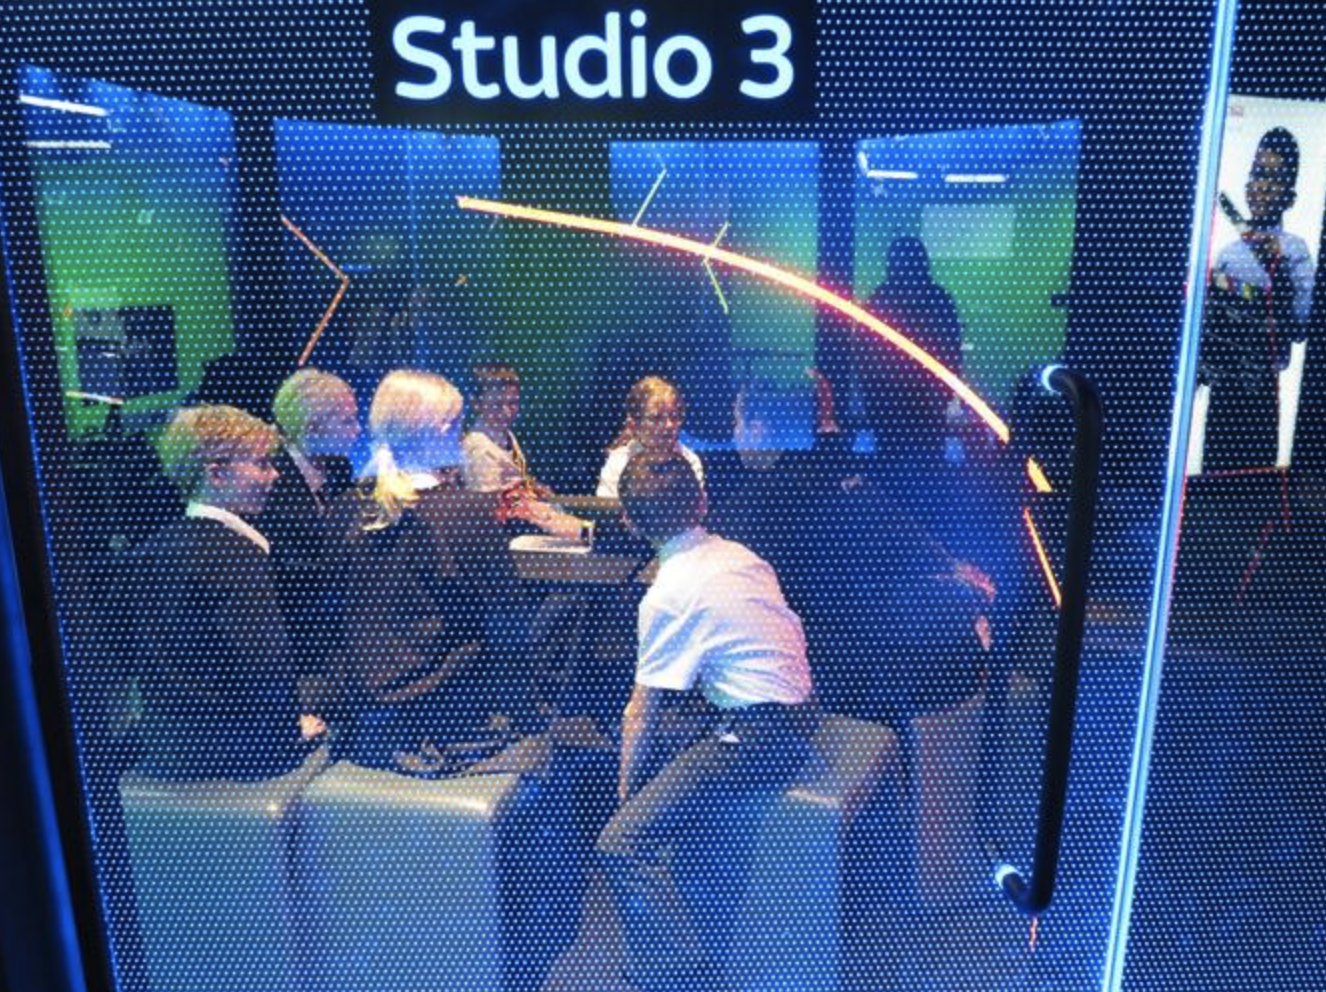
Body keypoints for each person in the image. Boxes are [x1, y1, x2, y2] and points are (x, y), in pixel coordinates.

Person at [596, 453, 814, 992]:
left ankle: (679, 972)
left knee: (619, 841)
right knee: (674, 752)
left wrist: (625, 797)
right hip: (802, 715)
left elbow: (639, 713)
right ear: (702, 502)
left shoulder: (668, 594)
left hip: (756, 739)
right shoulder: (742, 556)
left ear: (628, 521)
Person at [332, 369, 526, 771]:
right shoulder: (467, 513)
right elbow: (510, 621)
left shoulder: (346, 509)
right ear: (441, 427)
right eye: (457, 421)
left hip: (366, 724)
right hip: (450, 723)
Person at [116, 405, 321, 780]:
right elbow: (267, 666)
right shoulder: (236, 556)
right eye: (262, 464)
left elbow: (127, 657)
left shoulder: (149, 549)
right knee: (340, 694)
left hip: (165, 741)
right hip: (234, 751)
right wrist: (290, 728)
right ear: (216, 473)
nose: (275, 474)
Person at [1203, 126, 1316, 471]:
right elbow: (1210, 323)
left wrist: (1280, 271)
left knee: (1253, 484)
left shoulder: (1295, 252)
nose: (1262, 186)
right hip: (1223, 394)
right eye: (1257, 174)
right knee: (1213, 483)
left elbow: (1302, 327)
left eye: (1274, 178)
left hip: (1260, 400)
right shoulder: (1227, 254)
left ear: (1290, 196)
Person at [260, 369, 360, 686]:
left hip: (336, 622)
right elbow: (300, 573)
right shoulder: (272, 483)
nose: (358, 430)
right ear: (312, 428)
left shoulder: (339, 467)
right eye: (347, 421)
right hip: (300, 637)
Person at [859, 236, 965, 472]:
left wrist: (871, 395)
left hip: (896, 397)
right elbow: (952, 351)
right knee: (924, 464)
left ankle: (898, 490)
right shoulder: (938, 299)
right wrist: (945, 391)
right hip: (914, 397)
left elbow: (864, 352)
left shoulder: (880, 299)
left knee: (895, 460)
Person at [597, 377, 705, 500]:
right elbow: (606, 510)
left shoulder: (690, 460)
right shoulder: (617, 463)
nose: (669, 425)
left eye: (674, 416)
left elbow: (695, 508)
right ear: (634, 425)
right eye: (656, 418)